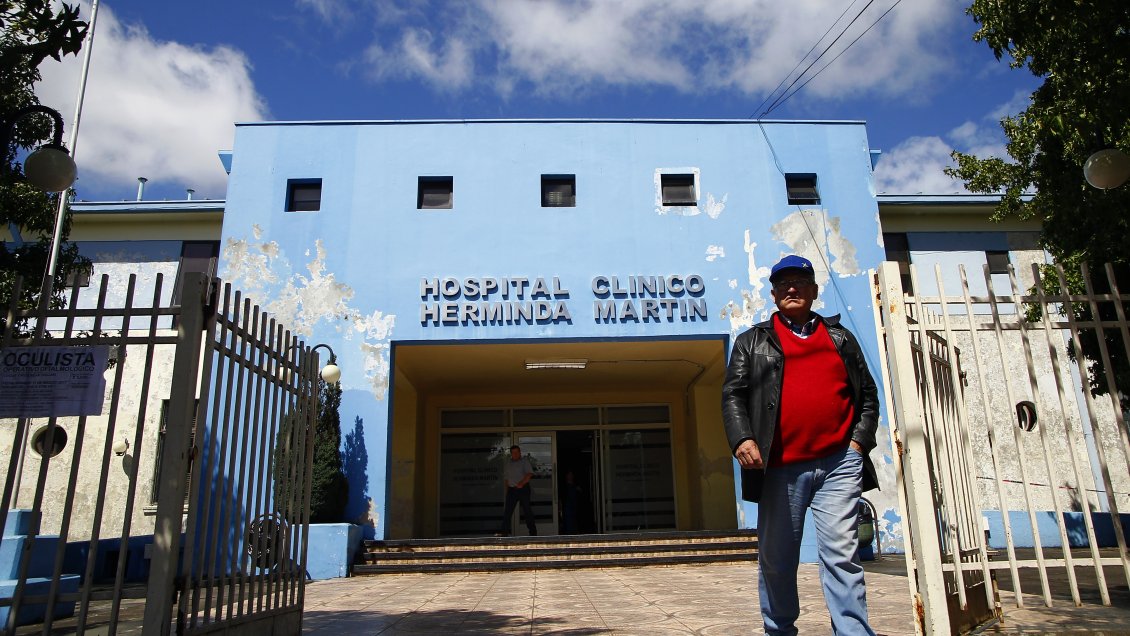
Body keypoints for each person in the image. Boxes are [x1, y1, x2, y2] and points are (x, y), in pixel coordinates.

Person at [721, 254, 880, 636]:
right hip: (779, 466)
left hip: (839, 463)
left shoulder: (840, 338)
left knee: (842, 557)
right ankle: (779, 630)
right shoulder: (751, 341)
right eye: (783, 284)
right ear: (774, 295)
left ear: (814, 290)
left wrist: (858, 445)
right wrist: (742, 437)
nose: (792, 288)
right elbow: (733, 395)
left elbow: (868, 396)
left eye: (800, 282)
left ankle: (853, 632)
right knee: (777, 559)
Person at [499, 444, 537, 536]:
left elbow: (529, 474)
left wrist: (522, 483)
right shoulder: (508, 464)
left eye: (516, 452)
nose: (515, 454)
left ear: (520, 452)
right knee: (507, 512)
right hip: (512, 490)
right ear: (511, 454)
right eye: (513, 453)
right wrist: (507, 491)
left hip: (523, 489)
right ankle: (504, 534)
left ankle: (533, 534)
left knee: (527, 511)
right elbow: (506, 479)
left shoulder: (524, 461)